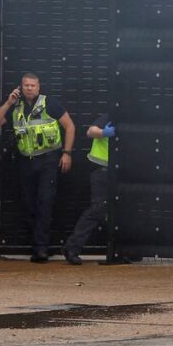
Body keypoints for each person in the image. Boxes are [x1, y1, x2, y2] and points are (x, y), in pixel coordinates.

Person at [0, 73, 75, 262]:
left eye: (32, 85)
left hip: (48, 160)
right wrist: (8, 103)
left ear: (38, 87)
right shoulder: (15, 106)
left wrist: (67, 153)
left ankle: (41, 249)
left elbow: (69, 126)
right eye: (26, 85)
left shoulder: (50, 103)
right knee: (28, 204)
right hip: (25, 161)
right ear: (20, 87)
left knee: (45, 201)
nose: (29, 88)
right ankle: (37, 244)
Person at [62, 114, 114, 265]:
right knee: (98, 209)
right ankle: (71, 248)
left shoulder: (135, 120)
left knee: (122, 212)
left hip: (120, 173)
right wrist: (104, 132)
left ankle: (122, 251)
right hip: (101, 170)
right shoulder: (110, 116)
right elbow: (90, 131)